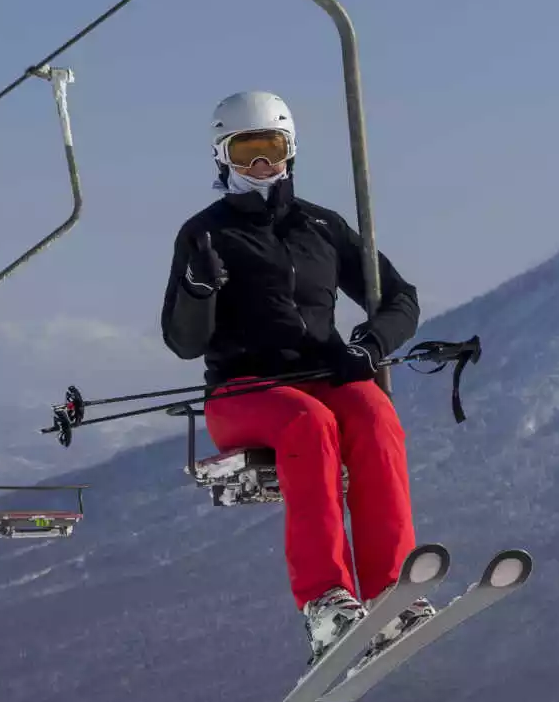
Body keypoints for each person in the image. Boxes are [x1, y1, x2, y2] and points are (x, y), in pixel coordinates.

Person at [160, 90, 432, 668]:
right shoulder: (205, 234)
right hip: (242, 392)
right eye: (246, 153)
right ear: (222, 157)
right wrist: (198, 288)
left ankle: (392, 590)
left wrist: (371, 344)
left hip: (322, 375)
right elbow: (184, 343)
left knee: (375, 413)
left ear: (291, 150)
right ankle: (326, 602)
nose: (262, 166)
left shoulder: (320, 226)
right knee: (309, 424)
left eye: (272, 149)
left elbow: (400, 298)